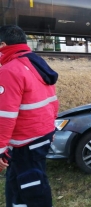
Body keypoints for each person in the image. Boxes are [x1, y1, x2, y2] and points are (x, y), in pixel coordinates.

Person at [0, 25, 59, 206]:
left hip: (25, 143)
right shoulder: (36, 63)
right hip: (42, 136)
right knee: (23, 184)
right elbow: (52, 101)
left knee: (30, 190)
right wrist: (51, 129)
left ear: (2, 45)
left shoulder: (9, 71)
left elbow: (5, 116)